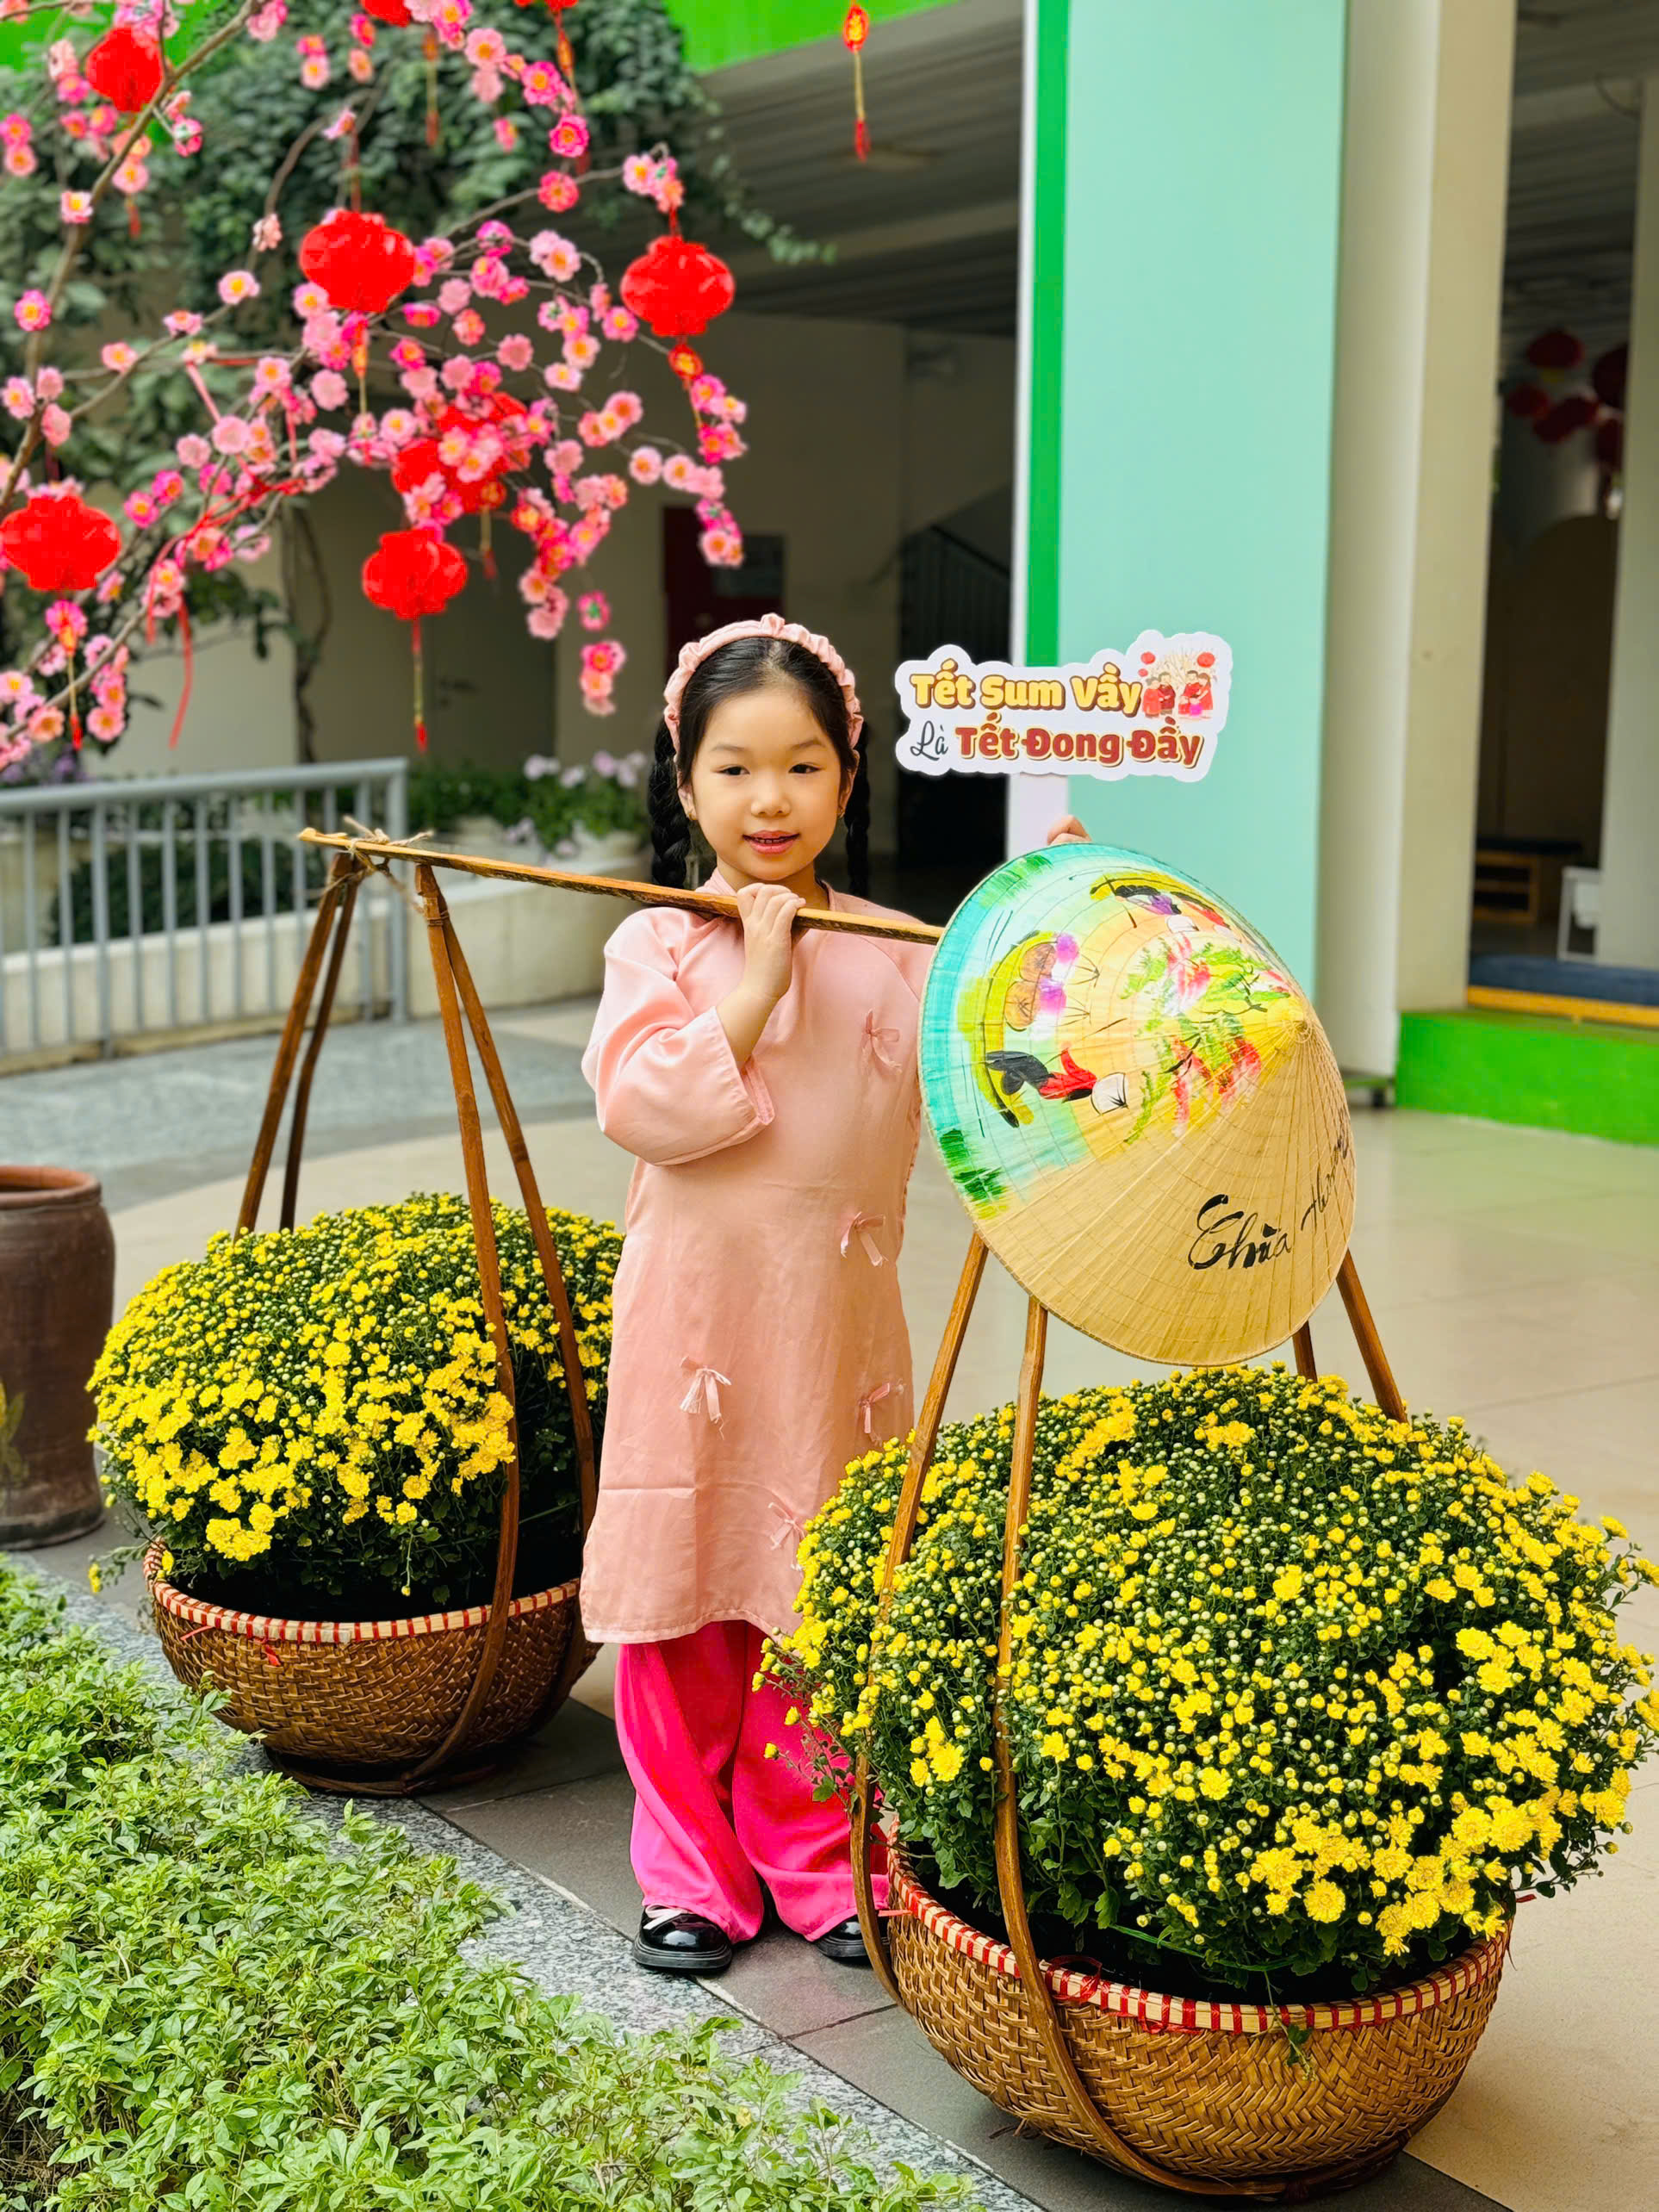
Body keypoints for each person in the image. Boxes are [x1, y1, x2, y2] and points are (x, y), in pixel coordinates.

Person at [580, 613, 1086, 1976]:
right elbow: (644, 1107)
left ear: (848, 780)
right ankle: (687, 1873)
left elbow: (1004, 1063)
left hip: (834, 1334)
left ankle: (815, 1863)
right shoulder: (657, 945)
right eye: (734, 768)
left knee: (819, 1597)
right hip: (692, 1326)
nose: (770, 799)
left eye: (802, 766)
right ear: (684, 782)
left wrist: (1045, 926)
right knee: (684, 1600)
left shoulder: (905, 951)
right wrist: (752, 983)